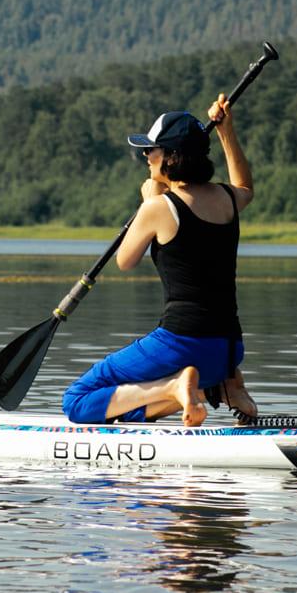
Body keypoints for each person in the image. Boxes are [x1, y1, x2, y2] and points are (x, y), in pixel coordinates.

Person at [62, 93, 258, 427]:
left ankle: (176, 386)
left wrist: (148, 201)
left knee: (77, 401)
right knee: (149, 392)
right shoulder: (226, 198)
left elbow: (125, 260)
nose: (146, 158)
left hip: (181, 344)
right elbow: (245, 186)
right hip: (227, 350)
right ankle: (223, 387)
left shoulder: (159, 208)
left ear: (170, 157)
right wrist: (227, 132)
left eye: (150, 151)